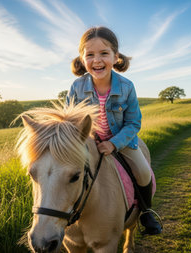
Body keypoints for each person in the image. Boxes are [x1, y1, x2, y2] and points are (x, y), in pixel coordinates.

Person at [65, 26, 162, 235]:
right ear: (82, 59)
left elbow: (134, 122)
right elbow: (68, 122)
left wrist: (113, 143)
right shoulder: (76, 87)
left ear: (116, 57)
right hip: (88, 144)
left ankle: (146, 212)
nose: (97, 60)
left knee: (144, 172)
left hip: (121, 141)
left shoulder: (126, 87)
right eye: (89, 55)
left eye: (104, 53)